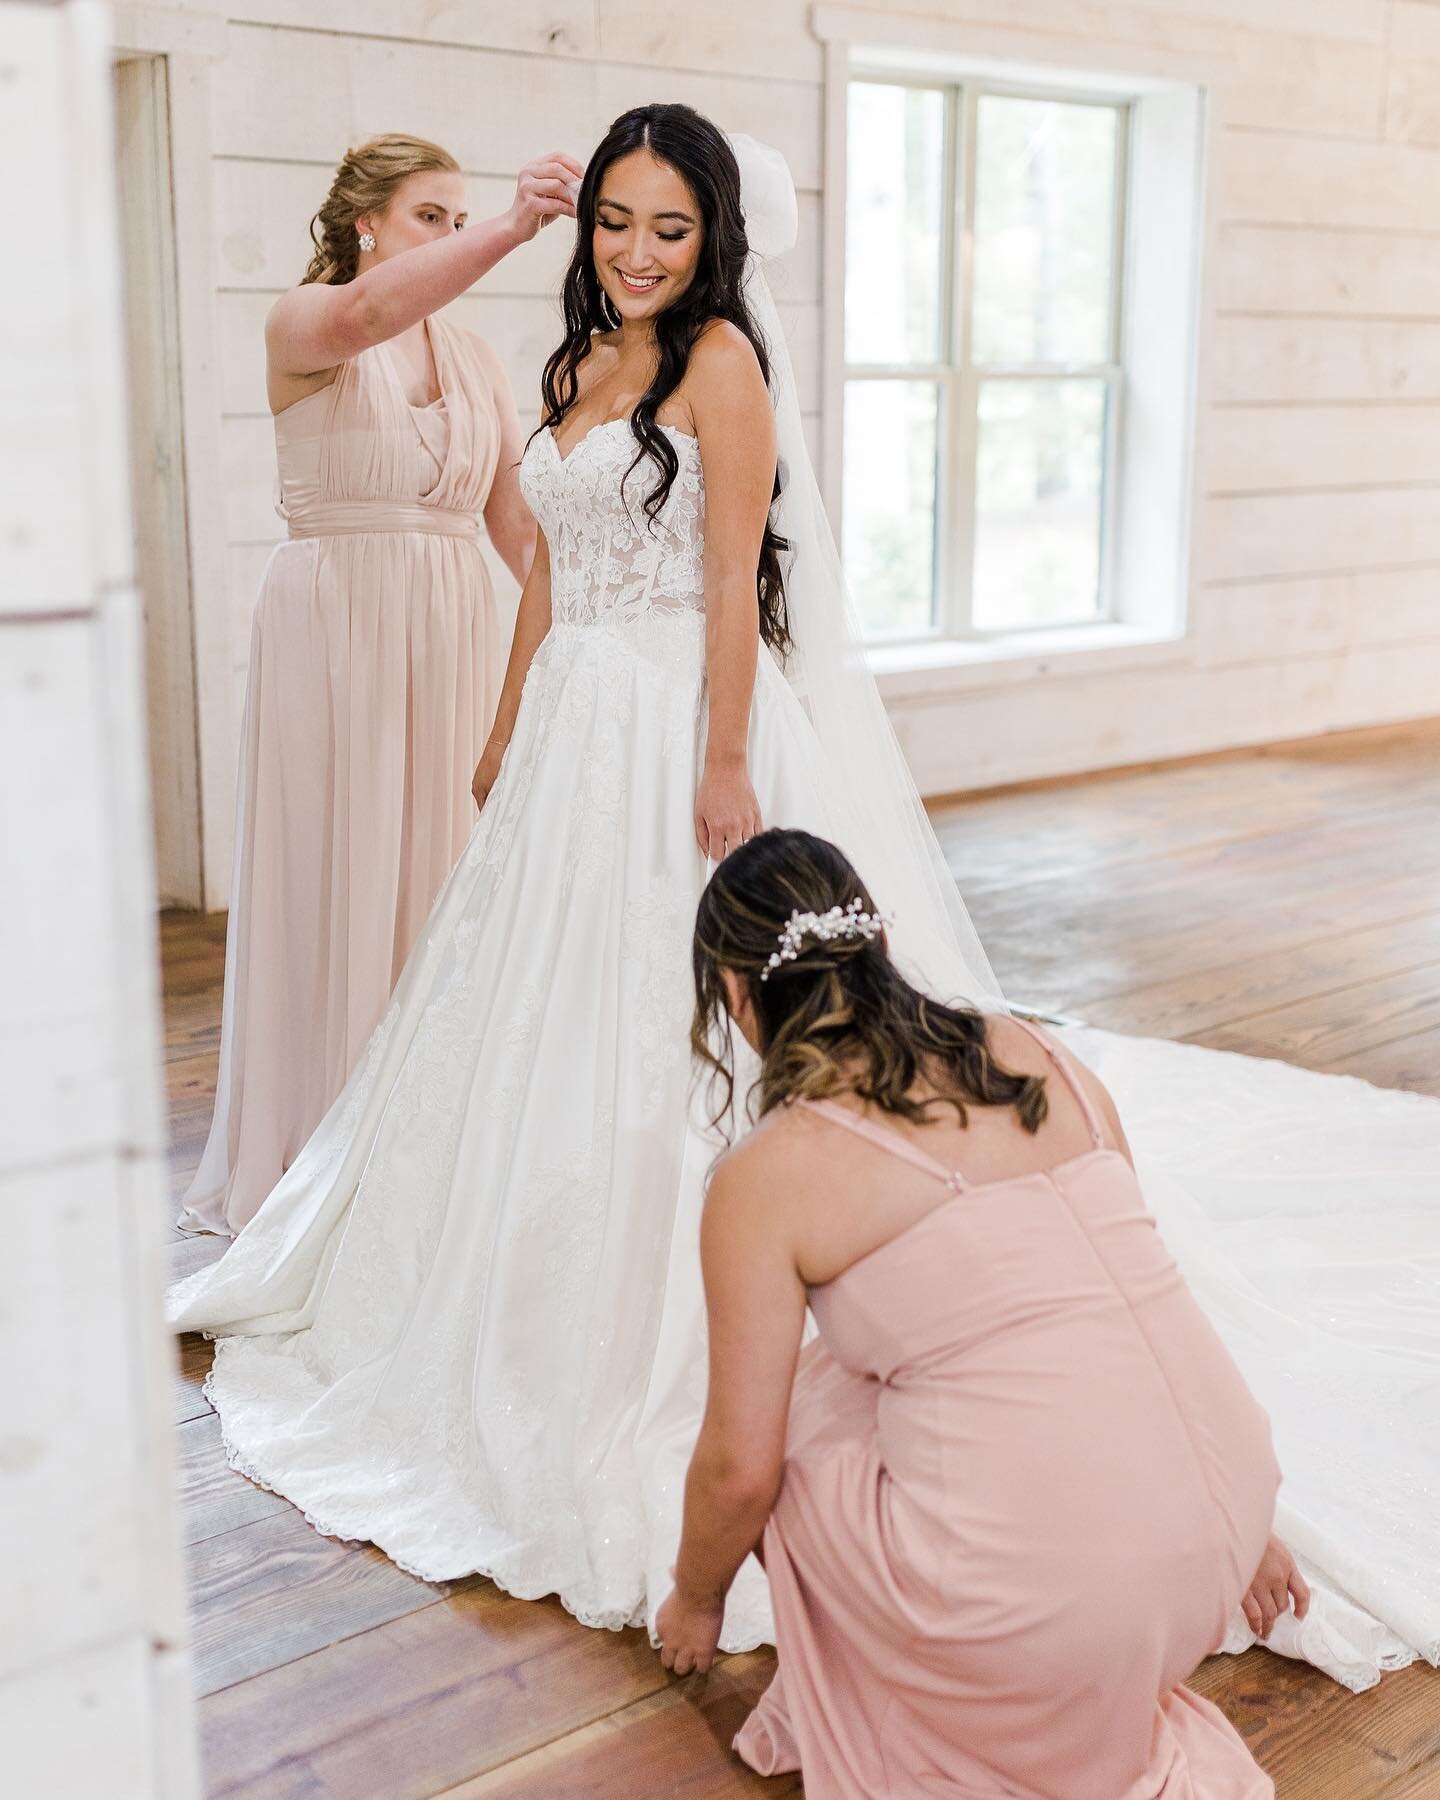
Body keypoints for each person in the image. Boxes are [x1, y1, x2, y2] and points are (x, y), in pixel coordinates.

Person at [170, 109, 1440, 1694]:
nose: (634, 254)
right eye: (616, 225)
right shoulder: (570, 369)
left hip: (676, 732)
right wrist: (504, 730)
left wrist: (720, 765)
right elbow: (552, 581)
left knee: (672, 1022)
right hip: (568, 725)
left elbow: (724, 579)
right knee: (525, 1018)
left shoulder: (722, 370)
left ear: (714, 243)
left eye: (668, 231)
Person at [656, 827, 1287, 1797]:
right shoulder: (1039, 1049)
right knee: (886, 1372)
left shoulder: (770, 1174)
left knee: (800, 1436)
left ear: (737, 994)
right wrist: (1244, 1524)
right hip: (1232, 1522)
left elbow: (739, 1470)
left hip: (1068, 1611)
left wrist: (693, 1604)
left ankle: (955, 1718)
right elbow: (1138, 1314)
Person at [179, 134, 583, 1235]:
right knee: (338, 864)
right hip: (338, 625)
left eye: (460, 220)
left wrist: (587, 642)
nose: (451, 237)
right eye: (430, 218)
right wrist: (512, 227)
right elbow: (366, 319)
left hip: (451, 627)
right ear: (367, 224)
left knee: (439, 874)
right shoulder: (304, 322)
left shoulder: (477, 360)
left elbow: (514, 527)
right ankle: (320, 1147)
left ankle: (423, 1144)